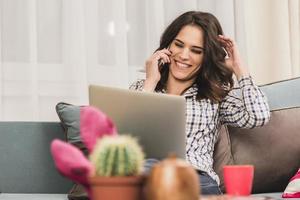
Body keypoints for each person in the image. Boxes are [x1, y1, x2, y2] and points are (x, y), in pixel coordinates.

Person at [130, 11, 270, 194]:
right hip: (149, 174)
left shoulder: (216, 96)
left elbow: (258, 117)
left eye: (196, 51)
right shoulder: (143, 87)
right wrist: (150, 82)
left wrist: (239, 68)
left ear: (207, 57)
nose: (184, 55)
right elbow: (127, 139)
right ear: (167, 46)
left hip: (197, 179)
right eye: (178, 45)